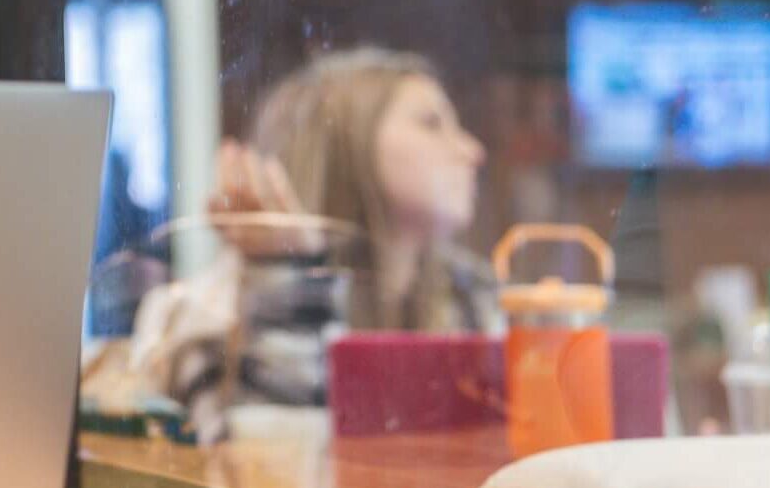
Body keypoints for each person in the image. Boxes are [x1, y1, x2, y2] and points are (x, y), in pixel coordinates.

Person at [127, 48, 496, 439]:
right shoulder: (211, 313)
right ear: (343, 142)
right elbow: (265, 476)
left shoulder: (471, 299)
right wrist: (283, 282)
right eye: (431, 123)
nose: (472, 151)